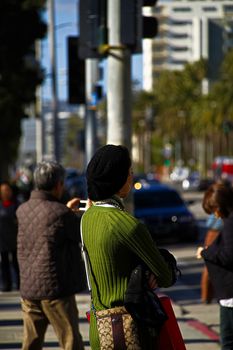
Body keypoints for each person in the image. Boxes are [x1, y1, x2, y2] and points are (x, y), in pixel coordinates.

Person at [81, 144, 175, 350]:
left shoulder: (87, 218)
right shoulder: (128, 225)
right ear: (117, 179)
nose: (132, 178)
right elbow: (166, 277)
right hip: (129, 332)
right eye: (129, 172)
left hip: (99, 330)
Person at [16, 161, 85, 350]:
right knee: (71, 341)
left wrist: (66, 211)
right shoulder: (61, 213)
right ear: (58, 185)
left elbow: (44, 225)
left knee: (30, 343)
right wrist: (75, 214)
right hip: (55, 290)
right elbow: (80, 233)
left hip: (29, 289)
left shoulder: (22, 210)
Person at [196, 182, 233, 350]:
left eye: (214, 210)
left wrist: (205, 252)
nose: (215, 216)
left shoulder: (230, 222)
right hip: (227, 296)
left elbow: (228, 256)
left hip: (230, 296)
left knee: (228, 341)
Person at [0, 181, 19, 291]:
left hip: (14, 238)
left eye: (7, 190)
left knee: (17, 263)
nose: (5, 193)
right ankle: (6, 285)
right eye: (3, 191)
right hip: (2, 239)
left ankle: (20, 284)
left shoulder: (16, 205)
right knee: (5, 263)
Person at [200, 213, 222, 303]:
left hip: (214, 231)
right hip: (217, 232)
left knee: (210, 265)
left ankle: (207, 297)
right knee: (210, 265)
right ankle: (206, 296)